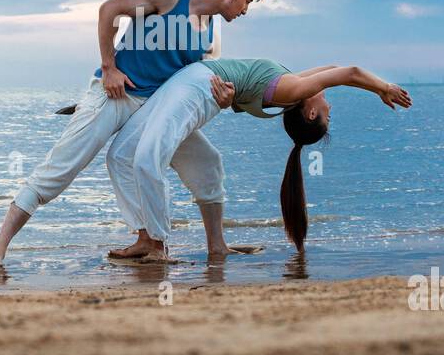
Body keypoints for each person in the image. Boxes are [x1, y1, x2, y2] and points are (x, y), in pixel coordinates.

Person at [0, 0, 267, 270]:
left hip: (155, 109)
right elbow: (109, 10)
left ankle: (187, 244)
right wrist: (109, 68)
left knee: (207, 162)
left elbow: (193, 82)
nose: (245, 11)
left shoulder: (211, 33)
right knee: (60, 170)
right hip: (115, 94)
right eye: (247, 2)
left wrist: (224, 99)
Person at [105, 58, 411, 262]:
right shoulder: (290, 88)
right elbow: (336, 69)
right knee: (132, 155)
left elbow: (350, 72)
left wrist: (384, 88)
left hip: (197, 84)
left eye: (328, 115)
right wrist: (374, 88)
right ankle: (174, 241)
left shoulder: (294, 89)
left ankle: (168, 244)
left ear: (312, 113)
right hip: (195, 82)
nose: (329, 105)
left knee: (179, 161)